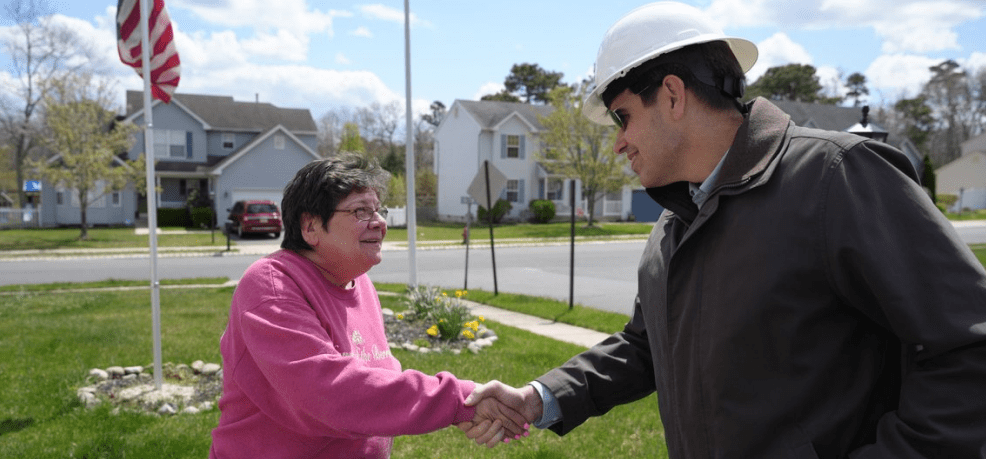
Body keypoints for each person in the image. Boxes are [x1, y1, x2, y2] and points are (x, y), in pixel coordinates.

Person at [464, 2, 986, 457]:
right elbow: (646, 348)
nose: (618, 144)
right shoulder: (675, 223)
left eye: (623, 117)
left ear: (672, 94)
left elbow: (966, 348)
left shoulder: (836, 177)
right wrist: (540, 398)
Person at [210, 154, 524, 458]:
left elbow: (378, 378)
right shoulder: (273, 285)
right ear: (310, 227)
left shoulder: (359, 282)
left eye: (378, 209)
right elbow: (331, 394)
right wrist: (460, 400)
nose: (380, 223)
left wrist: (465, 408)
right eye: (361, 211)